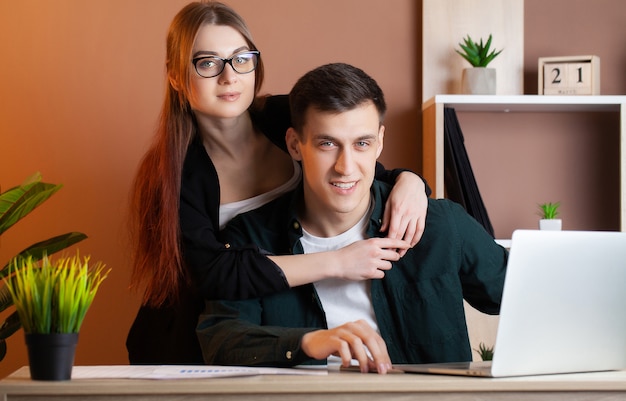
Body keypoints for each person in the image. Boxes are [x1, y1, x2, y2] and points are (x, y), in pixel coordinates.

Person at [126, 0, 431, 364]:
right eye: (208, 63)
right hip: (202, 340)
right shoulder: (173, 171)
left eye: (241, 58)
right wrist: (337, 262)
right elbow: (213, 274)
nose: (229, 77)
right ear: (176, 75)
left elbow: (357, 164)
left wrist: (412, 182)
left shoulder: (283, 116)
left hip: (288, 313)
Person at [196, 63, 508, 374]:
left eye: (362, 144)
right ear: (295, 145)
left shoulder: (441, 225)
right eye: (327, 144)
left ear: (379, 143)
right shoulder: (250, 237)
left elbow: (523, 297)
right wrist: (309, 342)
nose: (346, 167)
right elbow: (221, 340)